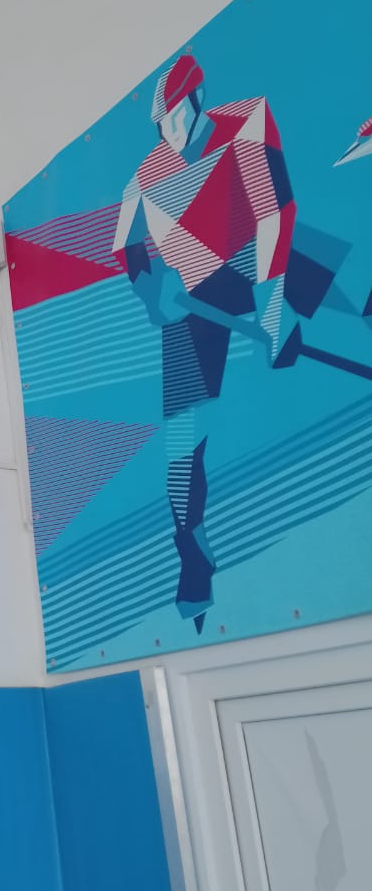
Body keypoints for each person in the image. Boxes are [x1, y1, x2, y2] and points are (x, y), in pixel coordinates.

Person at [112, 56, 301, 631]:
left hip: (256, 270)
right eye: (160, 124)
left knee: (321, 300)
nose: (168, 132)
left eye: (174, 117)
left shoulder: (245, 122)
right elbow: (126, 243)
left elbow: (276, 212)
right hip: (190, 299)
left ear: (195, 100)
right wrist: (151, 292)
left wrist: (274, 302)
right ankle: (192, 556)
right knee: (182, 437)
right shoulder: (148, 173)